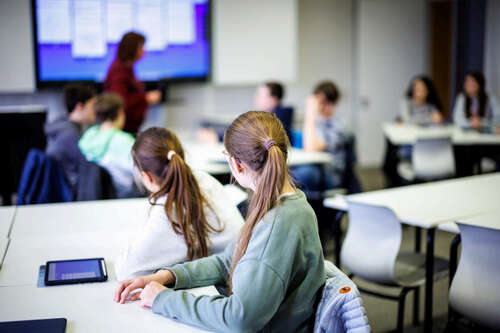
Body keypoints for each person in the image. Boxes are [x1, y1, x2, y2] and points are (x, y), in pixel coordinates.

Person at [114, 111, 326, 333]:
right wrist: (167, 276)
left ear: (236, 164)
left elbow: (240, 318)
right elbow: (227, 261)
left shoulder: (277, 225)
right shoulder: (284, 205)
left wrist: (163, 300)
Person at [115, 127, 243, 280]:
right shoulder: (204, 178)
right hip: (241, 269)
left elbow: (126, 270)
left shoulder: (168, 210)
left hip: (224, 285)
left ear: (146, 177)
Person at [293, 81, 351, 192]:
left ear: (332, 103)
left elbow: (311, 147)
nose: (319, 106)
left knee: (303, 175)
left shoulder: (339, 125)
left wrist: (310, 114)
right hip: (313, 166)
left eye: (322, 101)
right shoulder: (317, 122)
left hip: (331, 174)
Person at [78, 93, 138, 198]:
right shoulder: (124, 141)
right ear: (120, 112)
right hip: (123, 197)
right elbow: (141, 173)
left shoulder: (87, 138)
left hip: (93, 197)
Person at [197, 81, 294, 143]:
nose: (256, 98)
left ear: (274, 99)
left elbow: (250, 135)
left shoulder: (280, 117)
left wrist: (218, 137)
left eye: (260, 95)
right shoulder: (265, 116)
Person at [104, 31, 162, 134]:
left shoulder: (127, 68)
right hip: (123, 130)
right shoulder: (119, 70)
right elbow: (120, 100)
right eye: (141, 48)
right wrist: (146, 98)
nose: (144, 52)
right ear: (132, 49)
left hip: (130, 128)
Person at [44, 85, 96, 186]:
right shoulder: (69, 134)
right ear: (80, 107)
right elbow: (85, 167)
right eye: (92, 105)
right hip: (72, 189)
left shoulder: (62, 126)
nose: (95, 110)